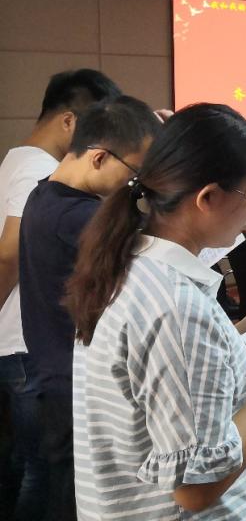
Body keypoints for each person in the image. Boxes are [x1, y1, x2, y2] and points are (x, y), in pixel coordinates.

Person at [66, 103, 246, 520]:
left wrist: (241, 330)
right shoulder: (177, 307)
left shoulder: (129, 261)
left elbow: (166, 375)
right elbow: (195, 489)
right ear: (208, 197)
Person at [19, 96, 160, 521]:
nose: (136, 185)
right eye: (135, 174)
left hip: (50, 371)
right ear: (99, 158)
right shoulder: (80, 218)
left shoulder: (42, 194)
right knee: (74, 498)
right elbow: (160, 250)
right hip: (73, 385)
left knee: (57, 487)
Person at [0, 68, 120, 520]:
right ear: (69, 121)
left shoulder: (17, 157)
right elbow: (8, 254)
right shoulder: (41, 171)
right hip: (27, 343)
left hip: (19, 340)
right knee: (44, 473)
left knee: (25, 460)